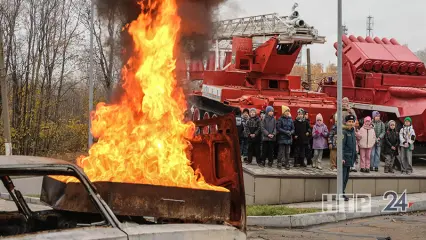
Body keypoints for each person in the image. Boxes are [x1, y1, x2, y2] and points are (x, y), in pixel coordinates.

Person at [342, 114, 357, 201]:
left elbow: (353, 146)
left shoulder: (352, 132)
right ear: (346, 122)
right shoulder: (344, 132)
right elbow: (341, 146)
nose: (351, 123)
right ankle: (341, 193)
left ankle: (342, 192)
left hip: (350, 158)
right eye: (349, 122)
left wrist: (355, 157)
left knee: (346, 178)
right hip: (345, 159)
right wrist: (342, 157)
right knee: (343, 177)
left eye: (352, 122)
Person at [277, 105, 294, 170]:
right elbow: (279, 128)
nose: (287, 112)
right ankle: (279, 162)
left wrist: (291, 132)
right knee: (281, 152)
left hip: (288, 138)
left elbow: (293, 129)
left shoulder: (291, 120)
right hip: (282, 137)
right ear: (283, 112)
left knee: (287, 152)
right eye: (286, 111)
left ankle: (287, 163)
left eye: (288, 111)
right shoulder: (280, 119)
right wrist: (286, 132)